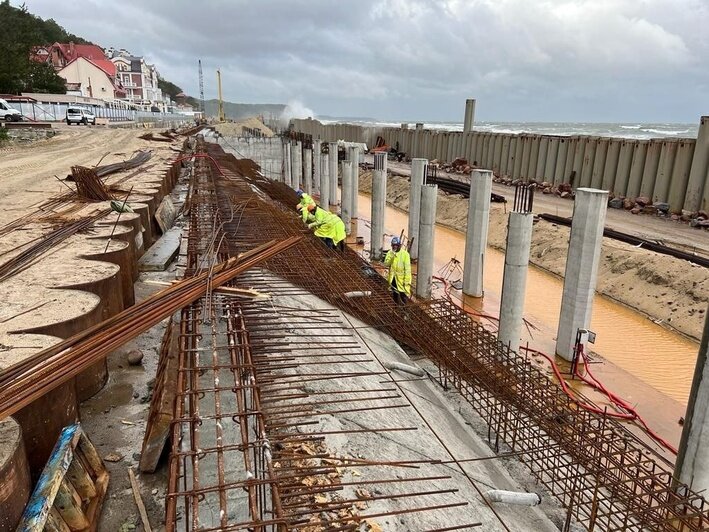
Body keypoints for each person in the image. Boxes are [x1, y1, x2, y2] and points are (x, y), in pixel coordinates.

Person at [384, 236, 411, 304]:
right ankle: (396, 307)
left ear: (399, 245)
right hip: (393, 278)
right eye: (393, 245)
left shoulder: (405, 254)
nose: (394, 247)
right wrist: (392, 257)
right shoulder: (390, 253)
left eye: (396, 245)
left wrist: (406, 282)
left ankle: (405, 311)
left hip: (402, 280)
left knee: (403, 296)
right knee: (395, 293)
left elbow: (407, 270)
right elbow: (386, 264)